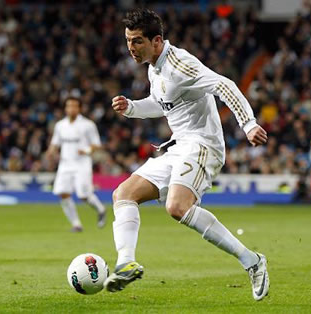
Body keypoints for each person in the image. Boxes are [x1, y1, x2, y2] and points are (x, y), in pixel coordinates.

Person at [105, 9, 269, 301]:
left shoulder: (180, 63)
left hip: (203, 144)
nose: (131, 47)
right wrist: (132, 107)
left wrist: (248, 123)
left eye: (138, 41)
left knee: (177, 207)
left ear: (157, 41)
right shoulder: (154, 66)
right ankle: (125, 262)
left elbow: (224, 85)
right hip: (179, 146)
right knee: (123, 194)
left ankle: (252, 261)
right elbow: (162, 103)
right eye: (129, 41)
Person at [47, 97, 106, 232]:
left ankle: (101, 209)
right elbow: (55, 143)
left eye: (74, 106)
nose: (71, 109)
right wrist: (50, 153)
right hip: (65, 164)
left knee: (83, 195)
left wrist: (85, 150)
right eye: (69, 106)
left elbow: (97, 145)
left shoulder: (88, 125)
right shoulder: (60, 125)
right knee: (63, 193)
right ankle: (76, 224)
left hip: (82, 164)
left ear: (79, 108)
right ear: (65, 108)